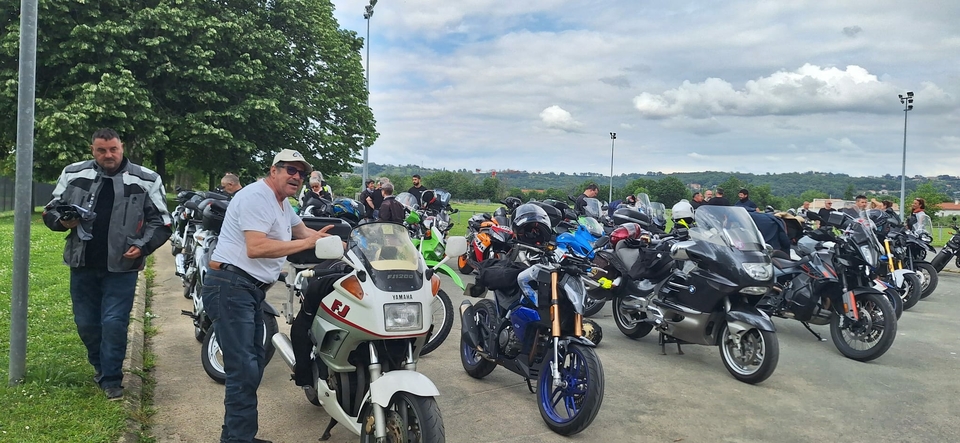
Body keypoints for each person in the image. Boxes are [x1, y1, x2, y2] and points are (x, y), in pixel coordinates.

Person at [203, 149, 337, 443]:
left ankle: (237, 436)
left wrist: (345, 247)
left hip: (248, 290)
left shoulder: (282, 203)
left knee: (251, 367)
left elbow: (304, 232)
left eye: (302, 173)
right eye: (291, 170)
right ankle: (237, 440)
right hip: (230, 286)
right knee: (243, 370)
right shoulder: (256, 197)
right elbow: (257, 247)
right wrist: (309, 243)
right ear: (273, 170)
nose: (297, 177)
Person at [42, 128, 172, 401]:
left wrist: (143, 246)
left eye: (113, 149)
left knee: (114, 322)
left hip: (123, 265)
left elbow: (162, 222)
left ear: (122, 147)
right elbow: (50, 210)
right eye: (102, 150)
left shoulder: (146, 179)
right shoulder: (73, 173)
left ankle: (112, 378)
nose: (108, 155)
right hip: (82, 263)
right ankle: (100, 367)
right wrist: (62, 221)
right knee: (86, 323)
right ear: (93, 150)